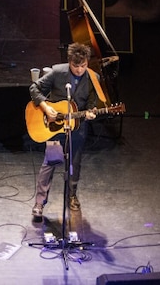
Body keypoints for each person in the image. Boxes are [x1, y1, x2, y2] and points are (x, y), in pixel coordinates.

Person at [30, 42, 102, 221]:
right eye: (75, 66)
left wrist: (91, 112)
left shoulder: (94, 78)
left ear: (87, 62)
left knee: (74, 164)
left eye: (83, 66)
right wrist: (46, 108)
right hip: (55, 128)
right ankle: (39, 202)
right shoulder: (57, 72)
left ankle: (72, 196)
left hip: (77, 128)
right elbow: (34, 88)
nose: (79, 70)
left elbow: (92, 103)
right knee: (50, 162)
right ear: (69, 62)